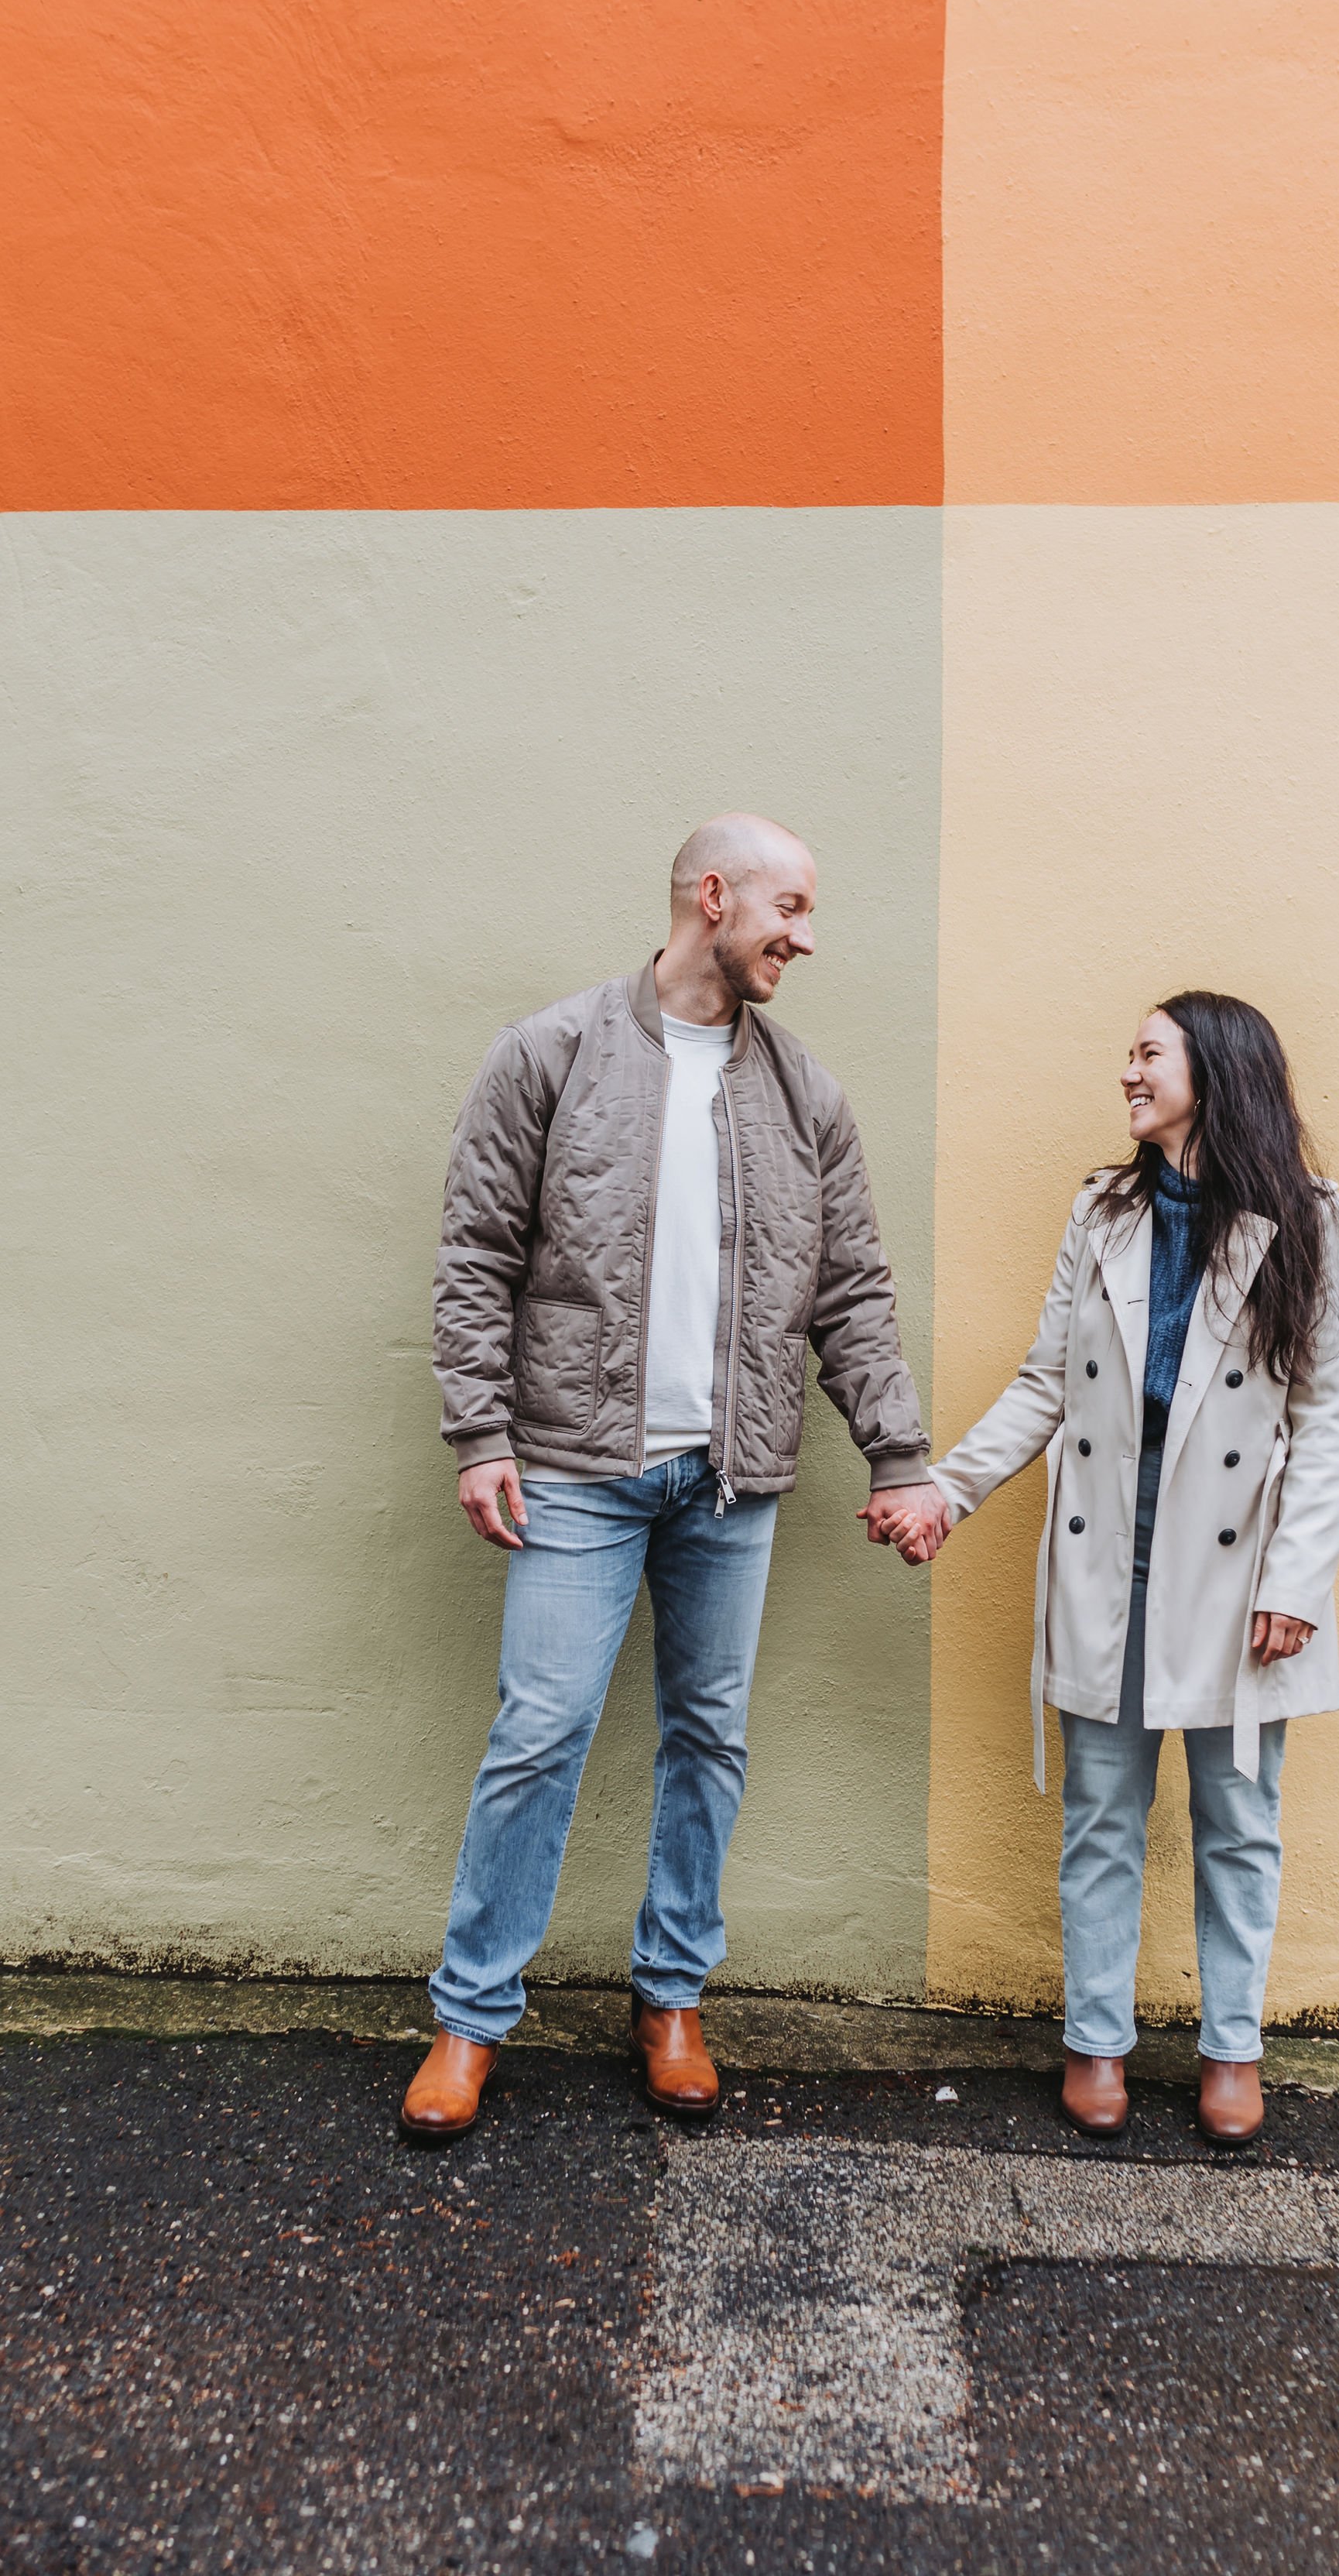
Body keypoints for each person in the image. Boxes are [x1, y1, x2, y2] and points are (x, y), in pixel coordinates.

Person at [402, 815, 949, 2142]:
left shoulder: (805, 1093)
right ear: (715, 897)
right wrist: (480, 1435)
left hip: (732, 1480)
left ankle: (672, 1998)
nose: (806, 938)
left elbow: (853, 1293)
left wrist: (900, 1451)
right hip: (576, 1472)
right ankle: (470, 2021)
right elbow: (477, 1254)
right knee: (539, 1736)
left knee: (709, 1740)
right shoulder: (552, 1053)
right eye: (793, 909)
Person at [889, 994, 1339, 2144]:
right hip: (1110, 1554)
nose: (1128, 1075)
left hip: (1241, 1571)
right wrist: (949, 1489)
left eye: (1148, 1055)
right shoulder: (1102, 1212)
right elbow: (1047, 1382)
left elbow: (1332, 1413)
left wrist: (1296, 1582)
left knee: (1237, 1818)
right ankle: (1096, 2041)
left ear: (1215, 1071)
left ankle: (1232, 2053)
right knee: (1103, 1812)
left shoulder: (1307, 1220)